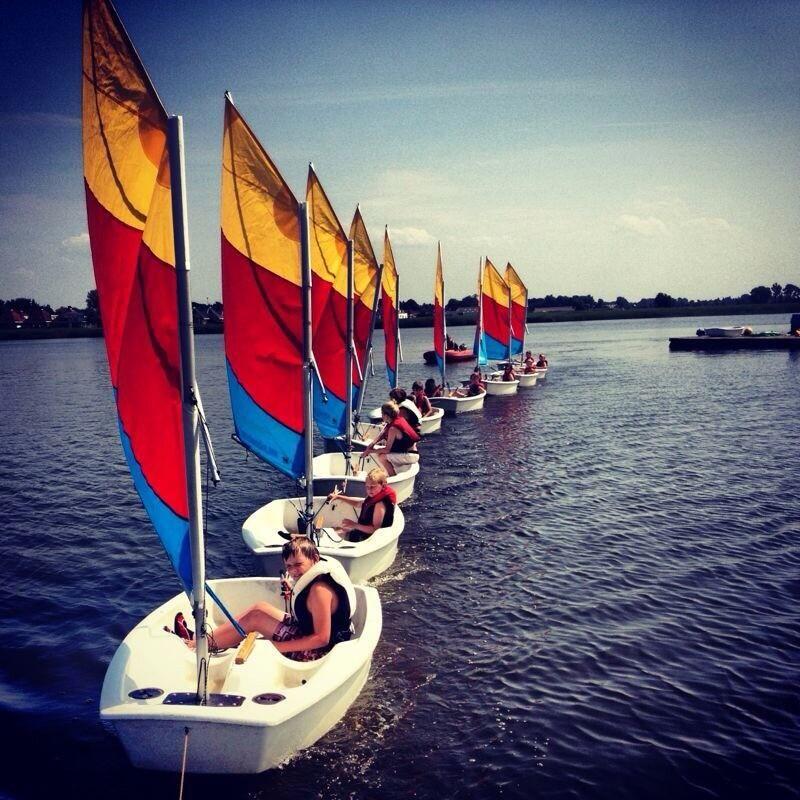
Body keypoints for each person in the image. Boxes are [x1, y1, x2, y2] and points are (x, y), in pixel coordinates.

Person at [188, 537, 355, 662]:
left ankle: (199, 644)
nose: (294, 571)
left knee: (256, 619)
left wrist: (277, 647)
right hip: (307, 633)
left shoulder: (320, 590)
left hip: (319, 652)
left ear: (315, 559)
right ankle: (205, 639)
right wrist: (292, 592)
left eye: (298, 564)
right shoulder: (313, 581)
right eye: (289, 566)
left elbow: (321, 639)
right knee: (259, 608)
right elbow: (309, 611)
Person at [328, 468, 396, 542]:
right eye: (367, 487)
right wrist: (338, 497)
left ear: (383, 485)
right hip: (362, 531)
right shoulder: (374, 495)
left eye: (373, 487)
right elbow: (358, 504)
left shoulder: (379, 504)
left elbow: (375, 530)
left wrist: (354, 525)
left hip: (369, 539)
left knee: (334, 534)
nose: (369, 490)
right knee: (334, 530)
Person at [364, 401, 420, 476]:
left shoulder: (393, 428)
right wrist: (372, 444)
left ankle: (392, 477)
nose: (381, 416)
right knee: (380, 452)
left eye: (382, 413)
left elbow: (387, 449)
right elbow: (383, 434)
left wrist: (369, 451)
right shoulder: (396, 420)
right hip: (406, 452)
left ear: (386, 415)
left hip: (411, 455)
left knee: (382, 457)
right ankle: (391, 472)